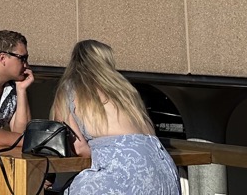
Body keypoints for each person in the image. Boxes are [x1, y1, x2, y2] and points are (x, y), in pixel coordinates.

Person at [51, 39, 179, 195]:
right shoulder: (125, 90)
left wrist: (102, 152)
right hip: (165, 174)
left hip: (124, 174)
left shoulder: (69, 89)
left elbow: (79, 148)